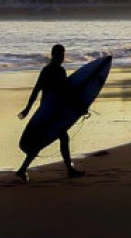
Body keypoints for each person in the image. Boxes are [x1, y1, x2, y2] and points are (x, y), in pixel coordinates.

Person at [15, 44, 84, 182]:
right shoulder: (55, 71)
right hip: (50, 113)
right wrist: (78, 106)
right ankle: (69, 170)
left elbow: (39, 91)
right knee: (57, 138)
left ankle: (22, 170)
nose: (63, 57)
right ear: (55, 55)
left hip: (48, 111)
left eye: (63, 54)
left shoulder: (49, 70)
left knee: (50, 140)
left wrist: (28, 109)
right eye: (61, 54)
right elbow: (65, 92)